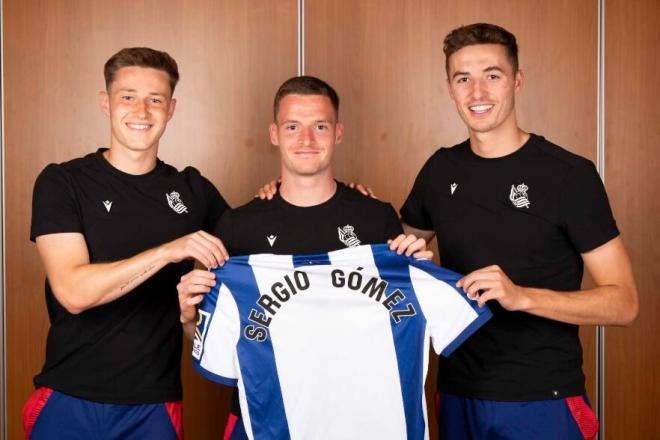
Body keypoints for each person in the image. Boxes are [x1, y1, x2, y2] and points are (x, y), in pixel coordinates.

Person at [400, 23, 639, 439]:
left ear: (516, 81)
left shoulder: (569, 175)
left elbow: (624, 303)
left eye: (492, 76)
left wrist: (522, 297)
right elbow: (393, 257)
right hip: (458, 394)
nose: (478, 94)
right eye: (463, 79)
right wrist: (345, 199)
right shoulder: (440, 170)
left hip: (543, 397)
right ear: (450, 88)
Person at [177, 76, 434, 439]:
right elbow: (215, 339)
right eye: (293, 127)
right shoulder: (238, 227)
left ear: (338, 132)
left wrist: (421, 273)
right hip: (264, 421)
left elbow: (404, 318)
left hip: (356, 422)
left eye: (320, 126)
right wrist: (190, 319)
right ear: (274, 133)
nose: (307, 140)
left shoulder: (376, 218)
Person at [24, 47, 229, 439]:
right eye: (128, 97)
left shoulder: (193, 190)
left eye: (155, 100)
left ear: (171, 109)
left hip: (153, 403)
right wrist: (170, 250)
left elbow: (263, 240)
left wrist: (346, 204)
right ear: (106, 103)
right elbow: (72, 291)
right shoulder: (63, 182)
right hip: (68, 396)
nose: (142, 111)